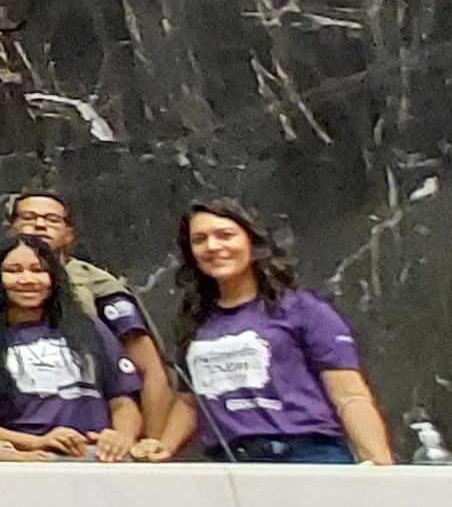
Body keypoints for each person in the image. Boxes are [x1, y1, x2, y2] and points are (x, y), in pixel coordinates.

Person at [165, 198, 395, 463]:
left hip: (306, 457)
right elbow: (189, 402)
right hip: (230, 466)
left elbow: (350, 395)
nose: (213, 246)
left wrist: (380, 465)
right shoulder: (196, 321)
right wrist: (164, 446)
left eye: (225, 235)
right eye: (200, 239)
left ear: (252, 243)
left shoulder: (305, 310)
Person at [7, 186, 177, 445]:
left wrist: (151, 444)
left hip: (96, 432)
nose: (39, 226)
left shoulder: (98, 284)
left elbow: (149, 368)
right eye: (29, 218)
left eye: (52, 220)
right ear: (11, 228)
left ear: (69, 234)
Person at [0, 233, 140, 461]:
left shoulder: (89, 329)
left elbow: (122, 399)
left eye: (39, 270)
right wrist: (32, 443)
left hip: (101, 458)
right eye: (13, 271)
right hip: (30, 460)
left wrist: (122, 437)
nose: (28, 279)